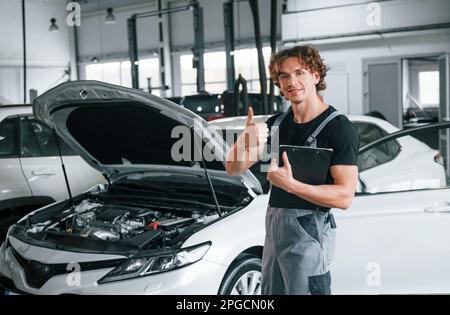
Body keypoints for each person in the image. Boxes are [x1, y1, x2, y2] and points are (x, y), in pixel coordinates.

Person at [225, 45, 360, 295]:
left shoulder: (339, 128)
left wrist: (291, 185)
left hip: (309, 234)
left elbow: (344, 196)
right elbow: (233, 167)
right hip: (274, 235)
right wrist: (245, 138)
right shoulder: (276, 124)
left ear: (317, 76)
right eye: (284, 76)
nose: (292, 81)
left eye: (300, 73)